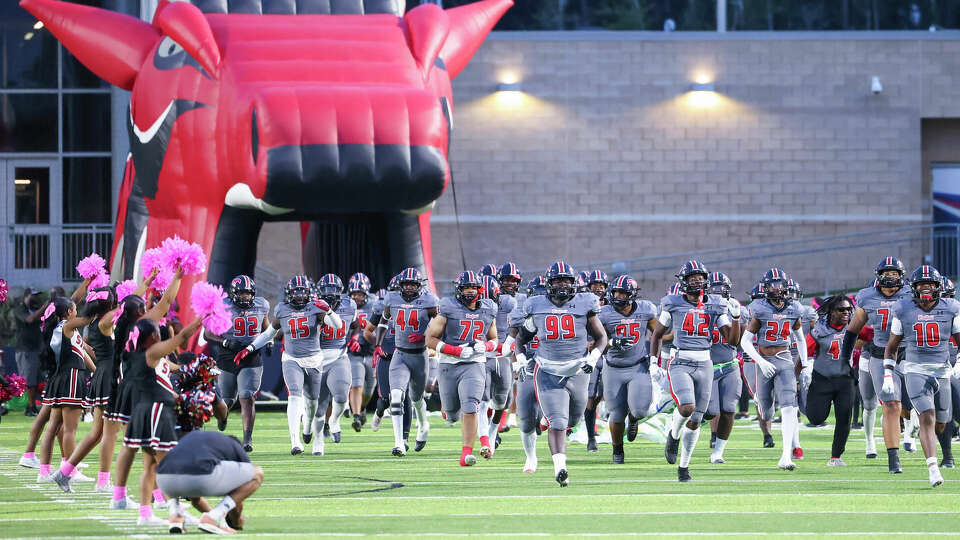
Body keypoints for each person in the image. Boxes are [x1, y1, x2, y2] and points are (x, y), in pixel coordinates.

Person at [514, 261, 608, 487]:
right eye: (558, 280)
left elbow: (601, 337)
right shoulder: (536, 305)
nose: (563, 284)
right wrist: (519, 359)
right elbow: (521, 339)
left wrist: (592, 359)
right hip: (547, 370)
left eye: (567, 280)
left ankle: (557, 451)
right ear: (549, 283)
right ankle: (560, 468)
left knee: (572, 420)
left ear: (574, 283)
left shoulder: (585, 304)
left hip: (577, 371)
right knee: (557, 421)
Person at [650, 260, 739, 482]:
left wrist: (736, 319)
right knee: (687, 406)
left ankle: (684, 467)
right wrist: (654, 361)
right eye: (692, 278)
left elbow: (732, 340)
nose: (697, 281)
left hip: (705, 364)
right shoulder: (673, 303)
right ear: (683, 281)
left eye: (700, 277)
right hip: (681, 362)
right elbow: (657, 334)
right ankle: (673, 434)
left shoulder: (716, 304)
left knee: (697, 419)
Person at [233, 275, 342, 456]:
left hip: (314, 359)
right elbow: (269, 334)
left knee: (312, 404)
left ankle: (307, 427)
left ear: (308, 293)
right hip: (291, 358)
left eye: (302, 292)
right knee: (294, 395)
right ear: (289, 294)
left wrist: (329, 311)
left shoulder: (316, 307)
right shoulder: (282, 309)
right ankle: (295, 441)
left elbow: (337, 326)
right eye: (295, 292)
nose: (299, 296)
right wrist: (250, 348)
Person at [111, 316, 202, 525]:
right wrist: (199, 320)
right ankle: (175, 512)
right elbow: (181, 337)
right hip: (155, 411)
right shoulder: (151, 353)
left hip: (144, 410)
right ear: (152, 336)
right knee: (166, 464)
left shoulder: (132, 354)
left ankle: (145, 514)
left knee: (151, 465)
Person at [884, 265, 959, 487]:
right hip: (915, 369)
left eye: (930, 285)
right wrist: (888, 374)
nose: (926, 289)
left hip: (942, 371)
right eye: (921, 285)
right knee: (927, 415)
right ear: (914, 288)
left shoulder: (951, 308)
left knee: (942, 424)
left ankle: (921, 434)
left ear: (938, 288)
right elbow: (891, 347)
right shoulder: (903, 308)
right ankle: (933, 468)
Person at [839, 257, 913, 474]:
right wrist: (844, 360)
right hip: (880, 356)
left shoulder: (911, 294)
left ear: (902, 275)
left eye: (894, 273)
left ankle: (938, 452)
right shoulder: (867, 296)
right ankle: (893, 458)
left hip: (910, 356)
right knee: (891, 405)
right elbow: (853, 329)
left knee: (920, 409)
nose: (890, 278)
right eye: (886, 273)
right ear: (878, 275)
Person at [426, 271, 498, 465]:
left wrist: (488, 347)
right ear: (459, 289)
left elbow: (494, 338)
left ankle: (466, 453)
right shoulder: (448, 307)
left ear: (479, 289)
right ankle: (447, 409)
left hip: (474, 364)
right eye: (466, 287)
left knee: (470, 406)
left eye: (473, 287)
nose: (469, 291)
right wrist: (454, 350)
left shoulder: (489, 308)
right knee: (451, 415)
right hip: (449, 364)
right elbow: (430, 339)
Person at [739, 268, 807, 471]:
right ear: (766, 288)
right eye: (772, 285)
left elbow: (800, 339)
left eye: (780, 285)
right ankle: (760, 404)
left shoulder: (794, 309)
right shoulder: (760, 309)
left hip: (784, 359)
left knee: (789, 406)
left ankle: (786, 456)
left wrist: (805, 365)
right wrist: (760, 361)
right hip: (764, 360)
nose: (777, 289)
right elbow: (745, 342)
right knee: (766, 412)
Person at [372, 267, 438, 457]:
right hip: (399, 355)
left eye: (413, 284)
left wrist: (425, 335)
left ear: (419, 285)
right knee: (396, 397)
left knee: (416, 399)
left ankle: (423, 424)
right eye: (406, 284)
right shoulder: (391, 299)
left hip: (419, 355)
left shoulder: (429, 301)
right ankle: (399, 443)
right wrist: (378, 344)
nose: (409, 288)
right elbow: (384, 321)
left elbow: (440, 325)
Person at [206, 275, 270, 452]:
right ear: (234, 293)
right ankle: (222, 417)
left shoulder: (261, 305)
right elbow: (207, 333)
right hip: (227, 355)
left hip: (251, 354)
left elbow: (266, 327)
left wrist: (269, 341)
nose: (244, 297)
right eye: (241, 293)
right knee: (227, 399)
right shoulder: (223, 306)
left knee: (247, 396)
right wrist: (225, 342)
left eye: (247, 293)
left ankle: (247, 439)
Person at [598, 275, 658, 464]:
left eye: (622, 292)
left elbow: (660, 333)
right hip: (613, 368)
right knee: (616, 414)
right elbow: (592, 342)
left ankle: (633, 419)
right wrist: (611, 342)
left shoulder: (646, 310)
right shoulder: (604, 313)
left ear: (632, 294)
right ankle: (618, 451)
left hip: (638, 366)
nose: (618, 296)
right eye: (615, 292)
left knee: (640, 411)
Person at [156, 430, 264, 535]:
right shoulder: (234, 447)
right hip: (198, 476)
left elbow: (196, 500)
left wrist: (214, 516)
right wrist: (237, 521)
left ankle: (175, 515)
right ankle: (213, 517)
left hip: (163, 479)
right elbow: (239, 491)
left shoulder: (201, 440)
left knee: (177, 471)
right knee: (257, 474)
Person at [37, 296, 95, 483]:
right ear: (69, 312)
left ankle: (44, 471)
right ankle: (70, 470)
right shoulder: (67, 327)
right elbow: (88, 318)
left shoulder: (65, 328)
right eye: (75, 309)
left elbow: (82, 353)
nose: (77, 311)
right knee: (70, 428)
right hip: (70, 378)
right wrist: (104, 304)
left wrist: (96, 371)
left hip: (62, 377)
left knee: (54, 427)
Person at [804, 295, 858, 466]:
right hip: (822, 378)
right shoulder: (820, 330)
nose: (846, 313)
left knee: (844, 417)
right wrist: (799, 377)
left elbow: (869, 339)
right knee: (816, 418)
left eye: (849, 309)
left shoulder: (855, 326)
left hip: (845, 379)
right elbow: (804, 353)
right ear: (831, 312)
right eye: (841, 310)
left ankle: (836, 456)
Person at [314, 273, 358, 451]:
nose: (330, 295)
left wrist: (354, 337)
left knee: (341, 396)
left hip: (339, 355)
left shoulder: (350, 305)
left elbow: (355, 324)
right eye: (326, 291)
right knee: (317, 405)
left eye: (333, 291)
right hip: (315, 357)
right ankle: (318, 439)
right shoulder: (312, 306)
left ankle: (334, 421)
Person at [704, 272, 742, 464]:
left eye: (722, 288)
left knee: (728, 409)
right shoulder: (699, 307)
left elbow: (736, 341)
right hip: (705, 365)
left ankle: (718, 452)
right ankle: (679, 431)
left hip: (729, 363)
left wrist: (736, 317)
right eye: (714, 288)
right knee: (709, 411)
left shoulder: (735, 306)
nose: (718, 292)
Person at [511, 275, 546, 473]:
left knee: (556, 413)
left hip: (552, 368)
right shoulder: (520, 314)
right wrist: (517, 362)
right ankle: (531, 458)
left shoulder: (559, 313)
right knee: (526, 416)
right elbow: (512, 342)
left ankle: (545, 421)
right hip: (529, 366)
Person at [478, 275, 514, 456]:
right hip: (480, 358)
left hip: (502, 357)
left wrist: (511, 345)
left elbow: (517, 330)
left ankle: (492, 433)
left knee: (502, 402)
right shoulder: (469, 308)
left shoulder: (509, 304)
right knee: (482, 400)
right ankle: (484, 439)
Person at [582, 269, 609, 453]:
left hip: (608, 355)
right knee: (590, 398)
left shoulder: (612, 304)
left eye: (601, 285)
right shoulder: (581, 303)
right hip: (589, 355)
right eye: (594, 285)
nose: (598, 288)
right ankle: (591, 437)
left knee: (601, 396)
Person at [346, 273, 376, 430]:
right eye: (354, 294)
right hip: (354, 353)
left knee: (369, 390)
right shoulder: (345, 305)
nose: (356, 297)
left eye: (360, 294)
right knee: (356, 384)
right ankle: (356, 416)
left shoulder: (375, 304)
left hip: (371, 352)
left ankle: (362, 408)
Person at [14, 288, 46, 417]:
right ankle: (30, 407)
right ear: (26, 296)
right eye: (34, 296)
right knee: (29, 380)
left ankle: (32, 406)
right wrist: (45, 307)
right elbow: (30, 319)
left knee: (36, 380)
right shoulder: (20, 309)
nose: (36, 298)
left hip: (37, 349)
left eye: (38, 296)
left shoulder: (36, 309)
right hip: (25, 349)